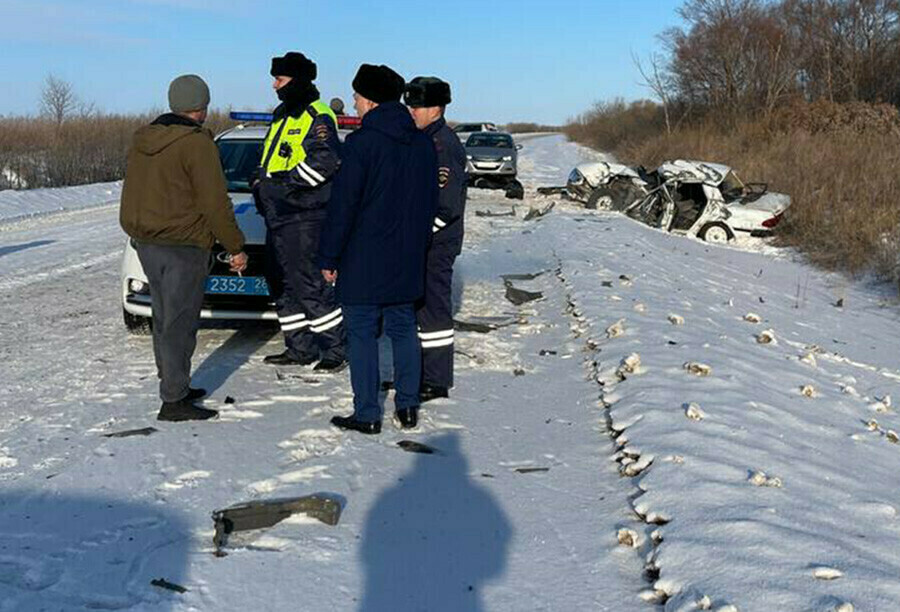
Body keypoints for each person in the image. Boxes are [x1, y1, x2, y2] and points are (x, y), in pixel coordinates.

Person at [318, 64, 438, 434]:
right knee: (403, 329)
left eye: (355, 97)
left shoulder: (361, 144)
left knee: (362, 334)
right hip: (406, 255)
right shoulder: (422, 143)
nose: (353, 103)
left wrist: (329, 256)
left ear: (369, 100)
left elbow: (344, 206)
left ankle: (368, 413)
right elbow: (430, 202)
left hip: (364, 257)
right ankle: (407, 406)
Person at [120, 74, 247, 422]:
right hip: (183, 244)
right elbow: (214, 202)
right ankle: (173, 400)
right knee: (179, 322)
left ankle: (174, 383)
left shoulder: (143, 139)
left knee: (164, 318)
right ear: (202, 106)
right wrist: (235, 246)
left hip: (148, 242)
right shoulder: (196, 143)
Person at [253, 52, 346, 371]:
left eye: (279, 80)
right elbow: (270, 157)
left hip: (305, 216)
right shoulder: (281, 113)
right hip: (278, 216)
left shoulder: (316, 114)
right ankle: (299, 347)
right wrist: (259, 184)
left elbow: (325, 161)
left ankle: (335, 349)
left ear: (297, 81)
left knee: (309, 284)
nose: (274, 86)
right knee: (281, 282)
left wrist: (284, 186)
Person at [404, 76, 467, 403]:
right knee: (419, 309)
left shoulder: (443, 145)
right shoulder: (422, 138)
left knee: (433, 309)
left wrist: (419, 234)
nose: (412, 111)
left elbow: (447, 205)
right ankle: (420, 374)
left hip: (436, 243)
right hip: (421, 241)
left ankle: (436, 379)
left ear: (437, 108)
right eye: (410, 105)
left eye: (418, 106)